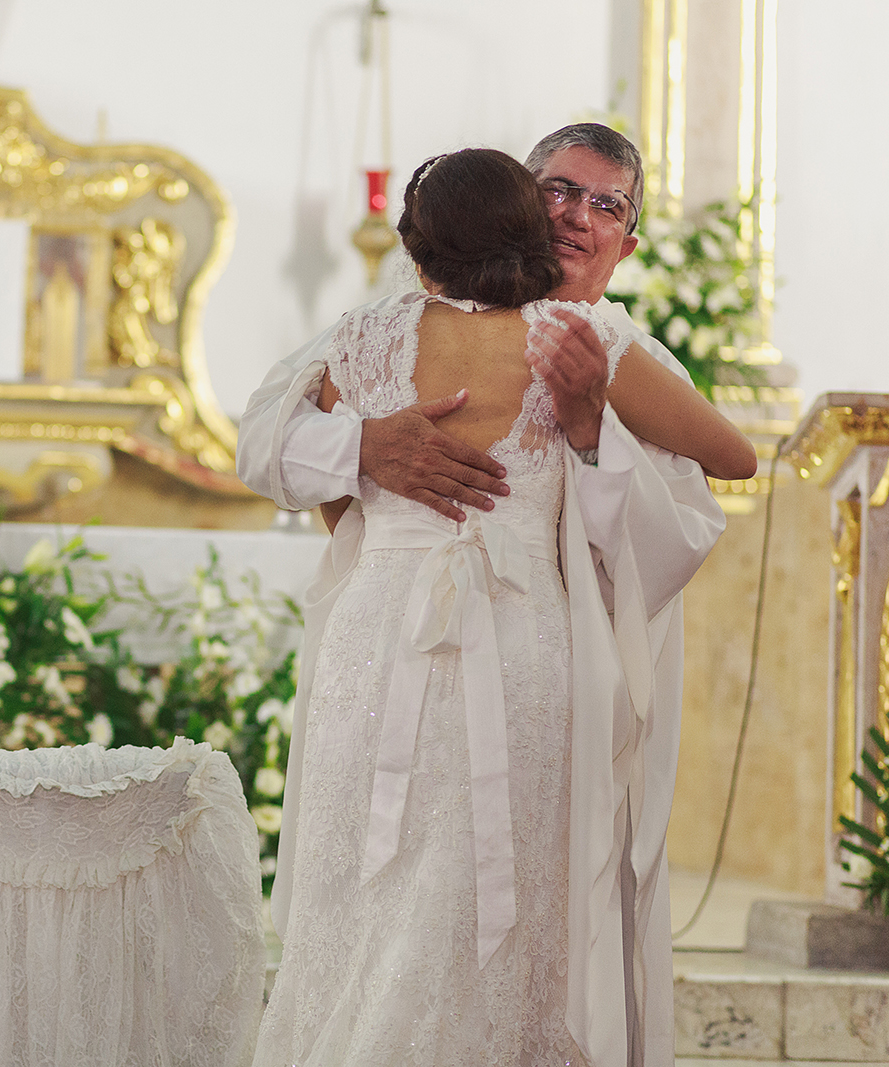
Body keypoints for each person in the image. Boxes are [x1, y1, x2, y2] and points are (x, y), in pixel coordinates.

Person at [243, 144, 753, 1066]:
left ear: (416, 245)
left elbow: (293, 473)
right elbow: (739, 455)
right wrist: (363, 448)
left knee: (371, 888)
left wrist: (594, 426)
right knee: (492, 901)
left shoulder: (366, 339)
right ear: (527, 204)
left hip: (378, 634)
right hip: (521, 640)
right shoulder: (575, 336)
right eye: (561, 191)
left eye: (605, 205)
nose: (576, 216)